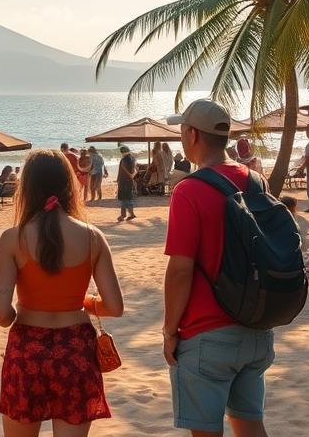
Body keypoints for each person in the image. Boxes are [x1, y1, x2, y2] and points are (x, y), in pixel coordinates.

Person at [0, 149, 124, 435]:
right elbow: (114, 307)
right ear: (69, 184)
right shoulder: (92, 237)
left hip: (27, 350)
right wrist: (81, 302)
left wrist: (21, 307)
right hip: (76, 349)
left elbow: (1, 315)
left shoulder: (12, 239)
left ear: (26, 187)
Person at [163, 99, 274, 436]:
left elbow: (180, 270)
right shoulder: (256, 182)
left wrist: (170, 331)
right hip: (256, 327)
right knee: (251, 426)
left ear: (192, 134)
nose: (181, 137)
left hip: (207, 333)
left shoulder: (189, 191)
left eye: (182, 130)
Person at [116, 145, 137, 222]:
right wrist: (132, 176)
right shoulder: (132, 158)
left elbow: (123, 171)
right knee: (128, 198)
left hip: (124, 181)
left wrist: (118, 180)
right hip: (129, 181)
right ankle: (130, 214)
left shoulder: (124, 160)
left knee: (124, 199)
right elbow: (135, 170)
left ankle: (123, 215)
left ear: (123, 152)